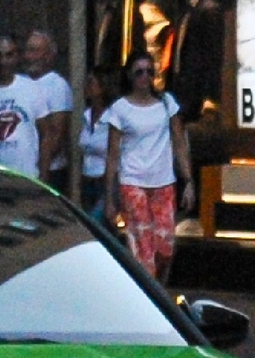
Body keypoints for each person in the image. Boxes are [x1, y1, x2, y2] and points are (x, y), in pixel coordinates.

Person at [106, 51, 193, 282]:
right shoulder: (120, 109)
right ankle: (152, 296)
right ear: (130, 76)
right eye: (139, 72)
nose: (145, 77)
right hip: (133, 183)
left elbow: (179, 143)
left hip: (163, 182)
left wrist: (188, 181)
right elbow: (113, 154)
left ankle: (159, 289)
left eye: (149, 71)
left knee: (165, 248)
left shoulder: (166, 103)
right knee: (143, 249)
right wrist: (110, 198)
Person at [0, 30, 48, 177]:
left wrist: (43, 175)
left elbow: (46, 135)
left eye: (9, 55)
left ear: (17, 56)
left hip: (26, 178)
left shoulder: (32, 89)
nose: (3, 61)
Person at [19, 29, 75, 183]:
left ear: (49, 56)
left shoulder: (57, 85)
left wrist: (41, 167)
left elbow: (56, 133)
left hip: (50, 170)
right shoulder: (20, 82)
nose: (28, 56)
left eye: (34, 51)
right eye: (27, 50)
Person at [77, 67, 115, 221]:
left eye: (91, 83)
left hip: (104, 180)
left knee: (96, 223)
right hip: (87, 181)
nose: (86, 87)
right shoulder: (86, 116)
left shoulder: (112, 117)